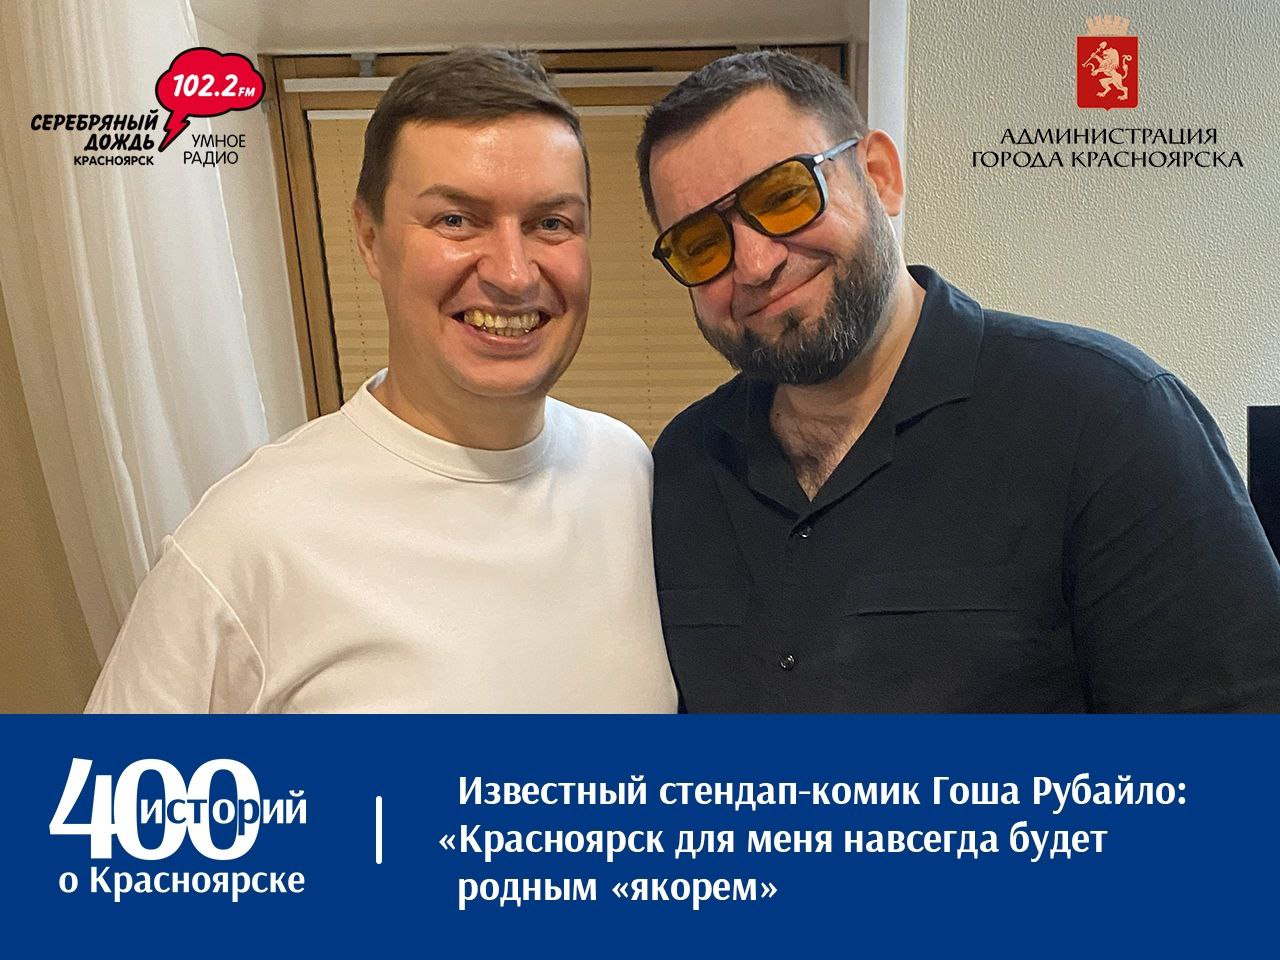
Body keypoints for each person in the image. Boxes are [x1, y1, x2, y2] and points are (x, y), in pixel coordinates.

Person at [636, 50, 1280, 712]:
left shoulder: (1109, 419)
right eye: (700, 243)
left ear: (879, 176)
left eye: (784, 197)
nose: (754, 263)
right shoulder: (684, 465)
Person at [86, 48, 676, 712]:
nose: (513, 274)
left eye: (551, 224)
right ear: (370, 239)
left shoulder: (627, 470)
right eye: (456, 220)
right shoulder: (246, 541)